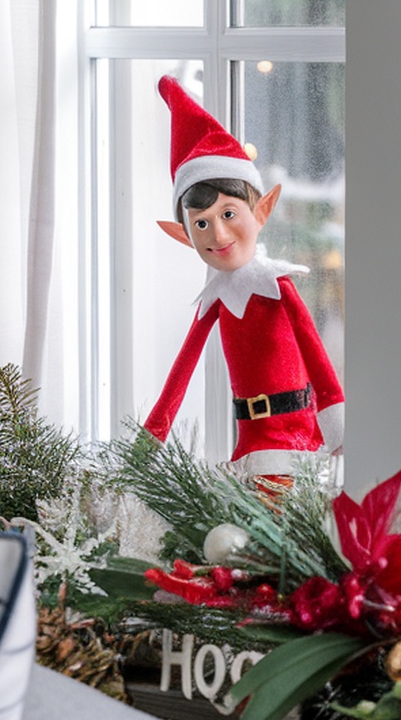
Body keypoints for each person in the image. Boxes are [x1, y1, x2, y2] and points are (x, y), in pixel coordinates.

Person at [143, 76, 344, 478]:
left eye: (229, 214)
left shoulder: (276, 285)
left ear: (263, 210)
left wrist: (337, 428)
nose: (218, 235)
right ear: (183, 234)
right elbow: (179, 375)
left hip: (296, 432)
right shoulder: (214, 298)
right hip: (249, 437)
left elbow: (317, 358)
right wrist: (150, 440)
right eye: (201, 224)